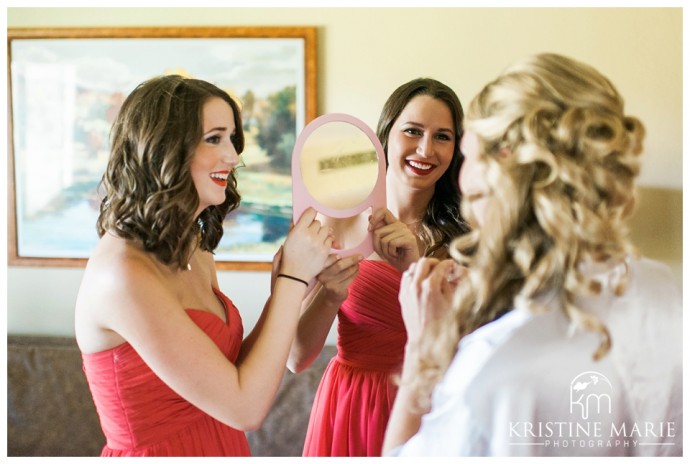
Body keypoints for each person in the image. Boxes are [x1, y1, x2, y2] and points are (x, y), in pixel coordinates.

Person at [383, 53, 682, 457]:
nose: (462, 177)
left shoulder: (491, 369)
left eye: (465, 154)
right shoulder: (665, 290)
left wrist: (422, 352)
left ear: (502, 169)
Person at [74, 75, 332, 456]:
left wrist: (288, 289)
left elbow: (233, 375)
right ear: (163, 148)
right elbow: (245, 408)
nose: (233, 156)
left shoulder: (194, 247)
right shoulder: (122, 273)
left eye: (232, 138)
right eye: (214, 138)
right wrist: (293, 279)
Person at [288, 78, 468, 456]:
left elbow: (470, 349)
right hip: (351, 405)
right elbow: (296, 357)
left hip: (431, 404)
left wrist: (415, 267)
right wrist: (331, 293)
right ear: (384, 135)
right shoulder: (335, 218)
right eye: (413, 131)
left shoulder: (470, 237)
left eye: (442, 137)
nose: (425, 149)